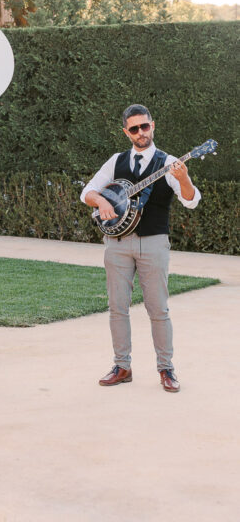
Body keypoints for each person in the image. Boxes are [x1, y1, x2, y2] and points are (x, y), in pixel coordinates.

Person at [80, 104, 201, 393]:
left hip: (154, 243)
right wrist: (102, 201)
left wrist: (183, 177)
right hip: (117, 244)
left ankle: (166, 368)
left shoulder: (168, 162)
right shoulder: (116, 161)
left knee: (158, 308)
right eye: (134, 128)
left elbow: (191, 200)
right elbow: (87, 191)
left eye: (144, 126)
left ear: (152, 126)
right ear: (126, 132)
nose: (140, 132)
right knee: (117, 307)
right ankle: (122, 366)